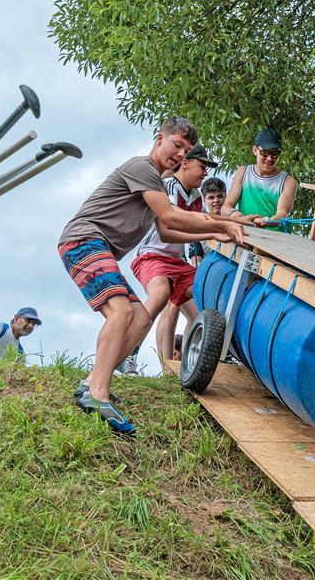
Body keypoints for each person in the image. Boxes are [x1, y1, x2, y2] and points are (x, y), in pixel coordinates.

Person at [59, 116, 246, 434]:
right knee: (119, 311)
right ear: (159, 138)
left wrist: (214, 235)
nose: (180, 155)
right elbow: (171, 215)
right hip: (83, 240)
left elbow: (168, 230)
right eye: (177, 145)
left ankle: (93, 381)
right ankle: (97, 394)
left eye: (186, 151)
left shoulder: (156, 185)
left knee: (140, 317)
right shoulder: (142, 168)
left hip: (98, 247)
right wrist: (221, 225)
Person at [131, 145, 219, 362]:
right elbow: (171, 223)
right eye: (202, 166)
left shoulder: (197, 197)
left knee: (202, 300)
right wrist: (215, 228)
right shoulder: (168, 186)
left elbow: (196, 226)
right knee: (160, 296)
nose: (205, 173)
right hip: (153, 254)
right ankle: (130, 350)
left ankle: (183, 366)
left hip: (178, 262)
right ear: (186, 164)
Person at [152, 175, 230, 368]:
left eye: (220, 196)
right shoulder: (199, 215)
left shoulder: (229, 218)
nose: (216, 201)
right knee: (170, 307)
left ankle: (188, 363)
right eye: (211, 197)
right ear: (205, 200)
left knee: (196, 315)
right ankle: (165, 364)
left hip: (215, 274)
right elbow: (195, 254)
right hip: (179, 263)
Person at [221, 127, 297, 225]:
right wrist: (233, 213)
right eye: (265, 153)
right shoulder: (243, 172)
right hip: (246, 233)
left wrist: (266, 221)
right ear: (255, 150)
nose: (269, 158)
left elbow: (282, 214)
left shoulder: (289, 182)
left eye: (275, 153)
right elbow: (226, 207)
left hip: (275, 237)